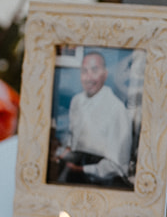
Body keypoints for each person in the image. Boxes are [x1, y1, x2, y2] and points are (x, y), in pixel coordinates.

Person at [52, 51, 133, 189]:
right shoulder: (76, 101)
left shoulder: (117, 110)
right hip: (72, 177)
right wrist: (63, 152)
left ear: (105, 74)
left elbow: (119, 167)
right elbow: (72, 139)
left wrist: (82, 170)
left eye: (94, 70)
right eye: (84, 71)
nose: (88, 77)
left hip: (103, 185)